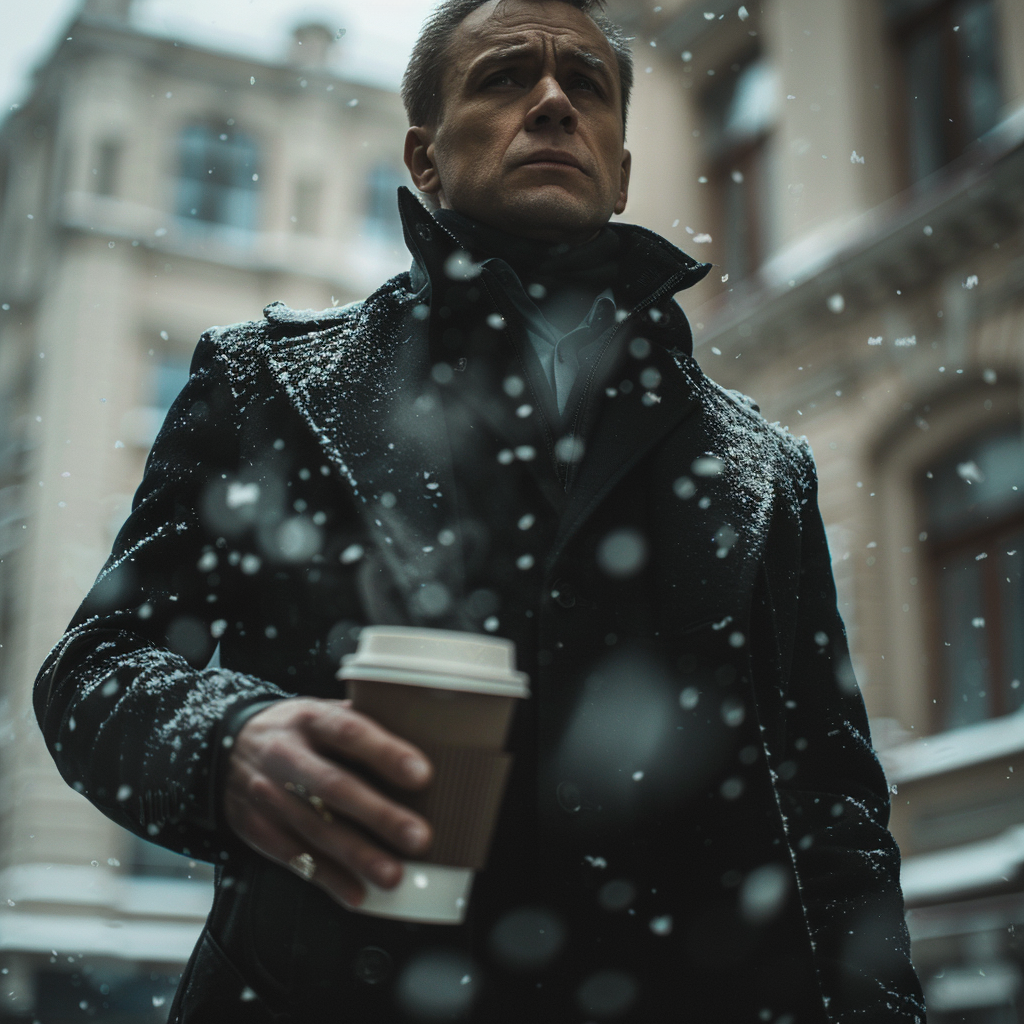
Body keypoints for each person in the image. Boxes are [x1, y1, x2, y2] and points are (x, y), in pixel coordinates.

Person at [34, 1, 927, 1020]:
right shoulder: (267, 387)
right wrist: (227, 739)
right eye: (505, 77)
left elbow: (833, 807)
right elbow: (91, 668)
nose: (552, 102)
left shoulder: (760, 463)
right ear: (423, 156)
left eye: (585, 85)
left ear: (622, 167)